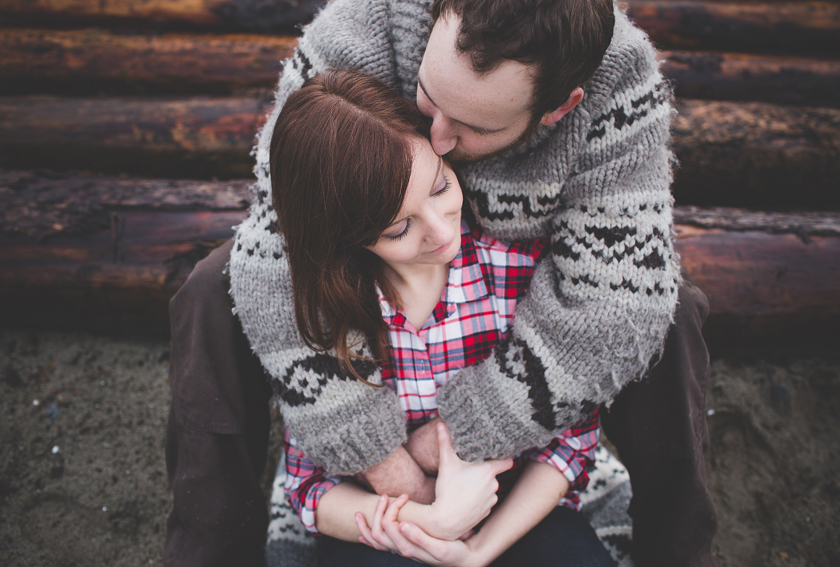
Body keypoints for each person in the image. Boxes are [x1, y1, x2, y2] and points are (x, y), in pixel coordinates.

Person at [165, 0, 716, 565]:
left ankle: (676, 549)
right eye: (428, 96)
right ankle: (212, 546)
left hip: (523, 267)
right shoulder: (360, 28)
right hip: (367, 243)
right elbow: (281, 234)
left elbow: (615, 300)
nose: (439, 135)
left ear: (559, 107)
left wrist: (458, 436)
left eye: (476, 125)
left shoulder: (615, 85)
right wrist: (393, 469)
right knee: (214, 288)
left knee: (667, 309)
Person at [268, 68, 615, 566]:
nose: (439, 230)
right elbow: (310, 487)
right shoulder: (323, 316)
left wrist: (476, 550)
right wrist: (434, 523)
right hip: (384, 524)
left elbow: (571, 440)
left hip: (515, 509)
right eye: (398, 227)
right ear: (344, 235)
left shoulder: (516, 271)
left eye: (439, 187)